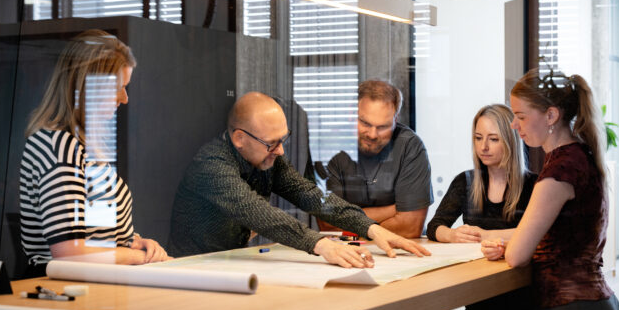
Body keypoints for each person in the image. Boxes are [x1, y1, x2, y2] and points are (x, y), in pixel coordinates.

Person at [167, 92, 430, 267]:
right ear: (239, 138)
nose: (280, 150)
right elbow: (259, 214)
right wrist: (321, 244)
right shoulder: (211, 165)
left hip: (231, 263)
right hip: (191, 270)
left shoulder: (268, 156)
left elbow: (312, 196)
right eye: (272, 143)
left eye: (283, 139)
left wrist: (371, 228)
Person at [481, 68, 619, 310]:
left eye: (521, 116)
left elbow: (518, 256)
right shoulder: (580, 156)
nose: (514, 125)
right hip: (597, 308)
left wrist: (511, 246)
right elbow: (559, 233)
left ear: (551, 115)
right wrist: (498, 238)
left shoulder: (558, 173)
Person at [20, 30, 169, 277]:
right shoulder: (61, 148)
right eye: (119, 87)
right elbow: (69, 252)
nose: (124, 98)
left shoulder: (79, 144)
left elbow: (96, 233)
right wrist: (137, 257)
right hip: (69, 288)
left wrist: (133, 241)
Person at [427, 104, 537, 310]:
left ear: (510, 141)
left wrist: (485, 235)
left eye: (493, 139)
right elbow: (434, 227)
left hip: (522, 298)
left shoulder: (534, 185)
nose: (483, 147)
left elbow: (536, 233)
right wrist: (452, 235)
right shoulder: (465, 181)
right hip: (478, 295)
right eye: (478, 138)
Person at [323, 80, 433, 238]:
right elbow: (327, 223)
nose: (373, 135)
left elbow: (410, 227)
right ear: (351, 113)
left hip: (399, 249)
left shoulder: (410, 147)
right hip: (343, 249)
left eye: (383, 127)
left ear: (395, 119)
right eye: (365, 123)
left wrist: (348, 220)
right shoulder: (329, 146)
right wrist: (395, 209)